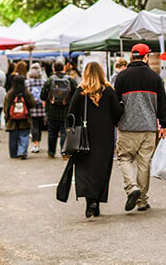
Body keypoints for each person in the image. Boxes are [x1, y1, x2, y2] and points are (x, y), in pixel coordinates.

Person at [114, 43, 166, 213]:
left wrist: (116, 120)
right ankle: (142, 200)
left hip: (127, 127)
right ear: (146, 57)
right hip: (148, 128)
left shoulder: (121, 77)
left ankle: (132, 188)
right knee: (145, 163)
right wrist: (164, 124)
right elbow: (162, 103)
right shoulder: (154, 77)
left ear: (132, 56)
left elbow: (116, 103)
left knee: (124, 158)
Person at [68, 62, 124, 218]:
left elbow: (71, 114)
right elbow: (118, 113)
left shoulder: (81, 91)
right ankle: (97, 201)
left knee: (86, 170)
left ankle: (90, 202)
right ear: (101, 72)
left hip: (85, 137)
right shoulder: (108, 91)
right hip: (105, 137)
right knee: (102, 169)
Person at [41, 60, 78, 159]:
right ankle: (64, 152)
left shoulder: (50, 80)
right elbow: (77, 94)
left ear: (54, 69)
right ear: (63, 68)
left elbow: (43, 96)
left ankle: (51, 152)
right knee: (64, 132)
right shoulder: (70, 80)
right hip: (66, 110)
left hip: (52, 111)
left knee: (52, 132)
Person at [3, 75, 35, 159]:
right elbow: (32, 103)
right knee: (24, 135)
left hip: (12, 119)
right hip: (25, 118)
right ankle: (22, 151)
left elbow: (6, 107)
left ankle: (13, 153)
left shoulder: (10, 93)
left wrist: (7, 117)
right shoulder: (26, 92)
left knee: (13, 136)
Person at [26, 63, 47, 153]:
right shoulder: (43, 82)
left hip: (32, 107)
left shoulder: (27, 83)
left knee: (34, 126)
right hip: (42, 107)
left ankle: (36, 144)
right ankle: (37, 143)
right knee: (39, 126)